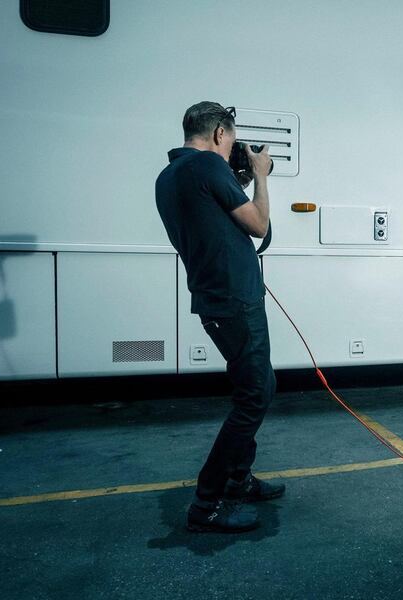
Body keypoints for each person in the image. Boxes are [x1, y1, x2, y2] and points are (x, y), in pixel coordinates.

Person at [155, 101, 283, 533]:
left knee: (259, 384)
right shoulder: (209, 166)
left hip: (214, 299)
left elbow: (213, 219)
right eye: (231, 143)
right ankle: (207, 503)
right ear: (219, 134)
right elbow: (259, 224)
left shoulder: (170, 175)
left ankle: (237, 479)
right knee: (256, 395)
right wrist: (260, 175)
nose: (231, 152)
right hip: (235, 300)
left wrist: (235, 179)